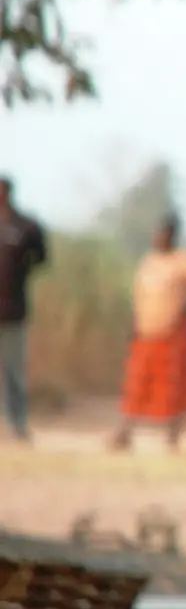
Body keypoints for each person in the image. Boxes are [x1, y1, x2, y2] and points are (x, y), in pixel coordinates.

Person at [110, 213, 186, 452]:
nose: (158, 237)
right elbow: (139, 297)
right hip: (146, 333)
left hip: (173, 332)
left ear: (172, 235)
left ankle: (172, 437)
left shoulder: (183, 261)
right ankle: (123, 433)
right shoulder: (149, 262)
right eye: (156, 232)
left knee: (175, 388)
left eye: (163, 233)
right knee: (137, 385)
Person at [0, 177, 49, 443]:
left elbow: (42, 257)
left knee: (13, 371)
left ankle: (17, 424)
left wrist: (21, 272)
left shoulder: (25, 227)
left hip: (12, 309)